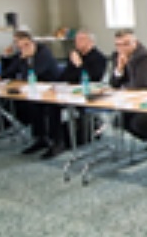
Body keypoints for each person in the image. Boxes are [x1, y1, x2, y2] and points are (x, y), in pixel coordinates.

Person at [43, 29, 109, 160]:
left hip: (89, 95)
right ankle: (50, 138)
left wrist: (79, 64)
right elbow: (66, 75)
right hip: (71, 92)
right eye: (76, 40)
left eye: (81, 40)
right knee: (49, 104)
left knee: (55, 107)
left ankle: (60, 142)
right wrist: (56, 85)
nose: (77, 43)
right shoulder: (74, 55)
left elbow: (92, 79)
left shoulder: (99, 58)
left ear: (90, 42)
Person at [6, 31, 65, 156]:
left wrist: (24, 60)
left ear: (31, 42)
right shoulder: (22, 53)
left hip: (54, 89)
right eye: (18, 45)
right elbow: (8, 72)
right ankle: (41, 139)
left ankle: (57, 142)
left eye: (25, 44)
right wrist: (7, 56)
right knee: (28, 105)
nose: (22, 48)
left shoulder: (44, 53)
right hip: (36, 90)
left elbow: (32, 74)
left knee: (51, 107)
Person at [108, 29, 147, 146]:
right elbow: (113, 84)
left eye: (126, 44)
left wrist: (127, 65)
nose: (122, 48)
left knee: (138, 123)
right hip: (132, 99)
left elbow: (139, 85)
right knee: (119, 122)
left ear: (135, 43)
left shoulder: (146, 58)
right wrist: (119, 68)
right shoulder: (117, 56)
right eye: (118, 45)